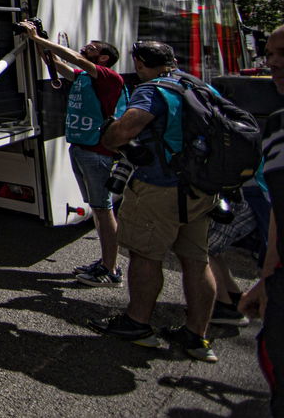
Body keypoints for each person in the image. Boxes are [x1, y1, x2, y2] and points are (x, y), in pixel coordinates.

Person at [90, 40, 219, 362]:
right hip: (201, 188)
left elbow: (126, 130)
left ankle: (137, 323)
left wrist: (109, 135)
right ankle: (196, 336)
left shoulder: (152, 89)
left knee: (146, 255)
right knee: (197, 260)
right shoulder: (200, 86)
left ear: (140, 63)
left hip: (160, 187)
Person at [19, 24, 126, 286]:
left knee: (103, 210)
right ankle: (105, 262)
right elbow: (56, 61)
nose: (86, 47)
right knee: (99, 210)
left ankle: (110, 270)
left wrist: (36, 39)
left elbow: (74, 59)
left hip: (97, 153)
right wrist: (39, 39)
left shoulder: (109, 78)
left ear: (103, 59)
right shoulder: (82, 78)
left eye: (93, 47)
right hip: (80, 149)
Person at [238, 25, 284, 414]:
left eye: (283, 53)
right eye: (269, 54)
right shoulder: (278, 125)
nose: (273, 63)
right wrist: (267, 278)